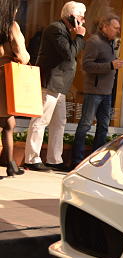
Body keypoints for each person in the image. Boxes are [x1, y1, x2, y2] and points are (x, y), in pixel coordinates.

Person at [24, 1, 86, 172]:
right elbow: (69, 54)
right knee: (41, 120)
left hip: (61, 85)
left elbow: (73, 52)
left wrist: (77, 36)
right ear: (72, 17)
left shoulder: (67, 31)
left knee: (59, 123)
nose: (84, 21)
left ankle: (54, 159)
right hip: (51, 81)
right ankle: (31, 158)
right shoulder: (56, 29)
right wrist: (79, 36)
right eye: (81, 16)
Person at [70, 14, 123, 168]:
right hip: (94, 91)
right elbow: (86, 66)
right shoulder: (94, 41)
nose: (117, 31)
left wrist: (112, 65)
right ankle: (76, 161)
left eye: (118, 29)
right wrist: (110, 66)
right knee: (85, 125)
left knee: (103, 127)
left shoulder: (111, 42)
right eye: (115, 28)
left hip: (106, 92)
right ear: (104, 27)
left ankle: (94, 163)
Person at [0, 0, 29, 177]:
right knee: (8, 123)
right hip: (4, 78)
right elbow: (22, 55)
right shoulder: (11, 26)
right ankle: (11, 164)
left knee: (6, 122)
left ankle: (11, 164)